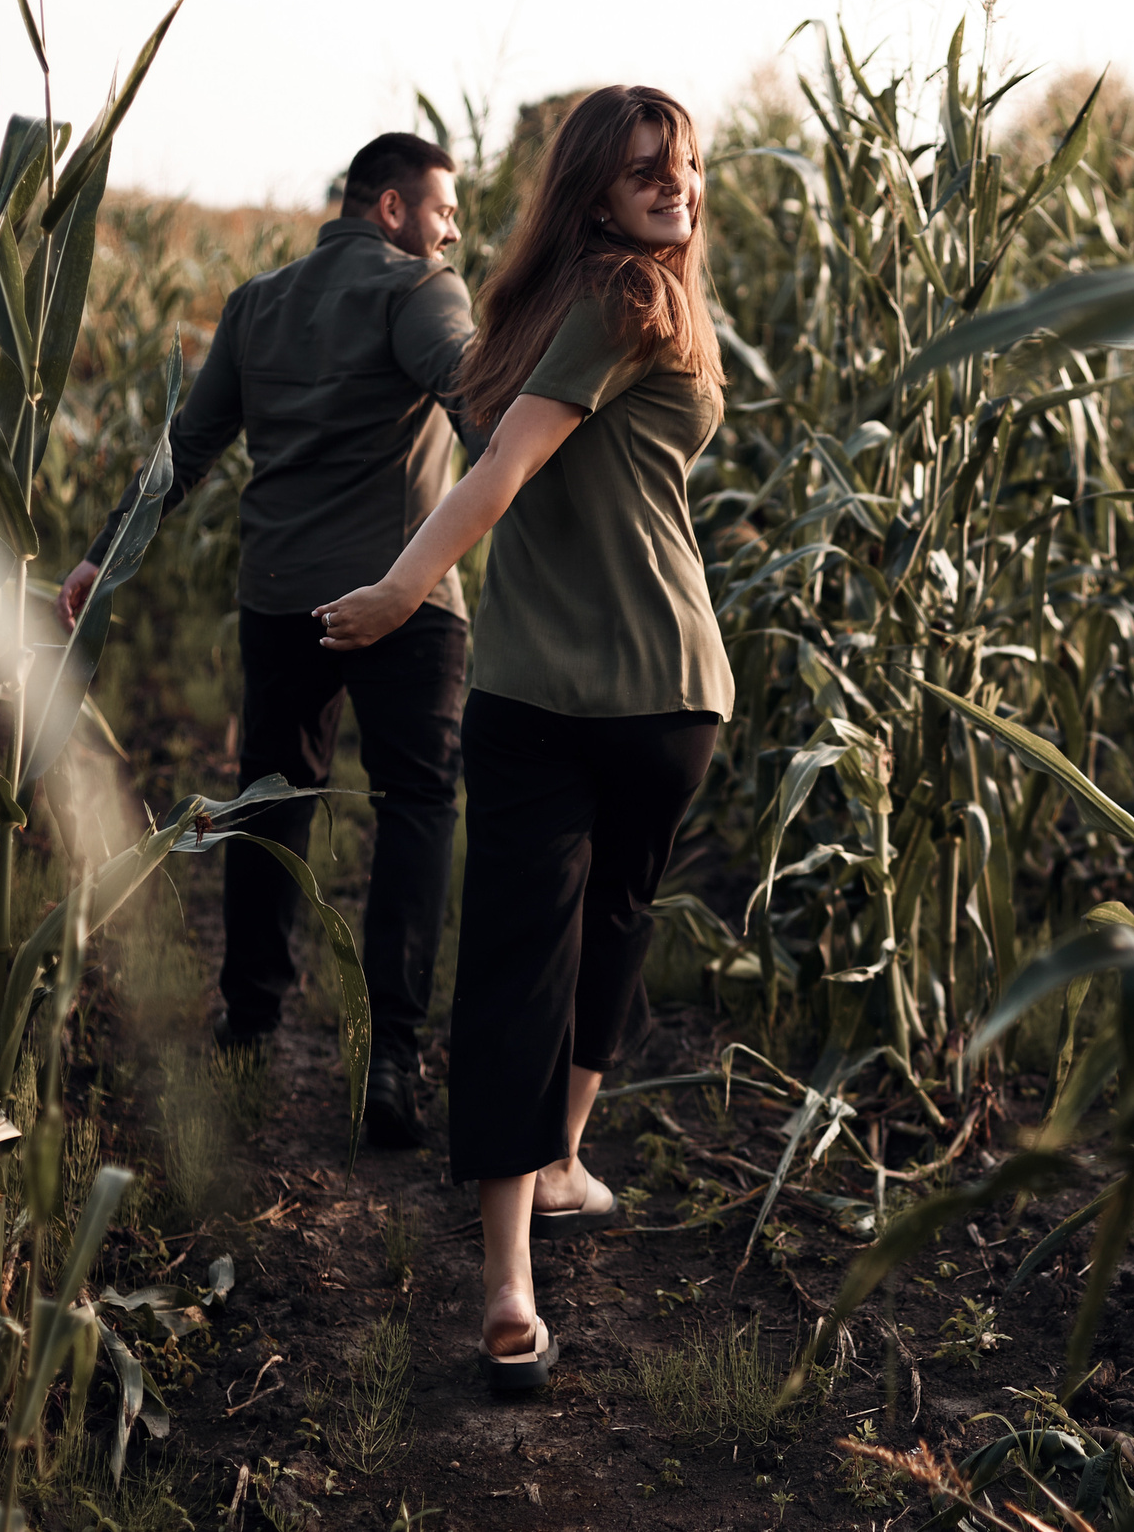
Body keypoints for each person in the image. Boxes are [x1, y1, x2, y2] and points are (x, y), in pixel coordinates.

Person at [312, 85, 730, 1390]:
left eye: (687, 167)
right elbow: (500, 473)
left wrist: (400, 586)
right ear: (595, 189)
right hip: (599, 692)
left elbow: (515, 459)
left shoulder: (595, 300)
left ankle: (543, 1183)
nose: (677, 187)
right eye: (648, 170)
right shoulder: (609, 300)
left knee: (566, 943)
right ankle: (510, 1274)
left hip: (645, 688)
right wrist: (396, 587)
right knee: (554, 951)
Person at [60, 131, 473, 1150]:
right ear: (390, 208)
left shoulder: (257, 303)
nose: (452, 231)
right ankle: (392, 1061)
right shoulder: (421, 291)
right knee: (414, 807)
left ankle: (248, 1021)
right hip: (405, 601)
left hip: (283, 594)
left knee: (267, 798)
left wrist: (101, 557)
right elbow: (478, 401)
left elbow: (186, 449)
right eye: (443, 211)